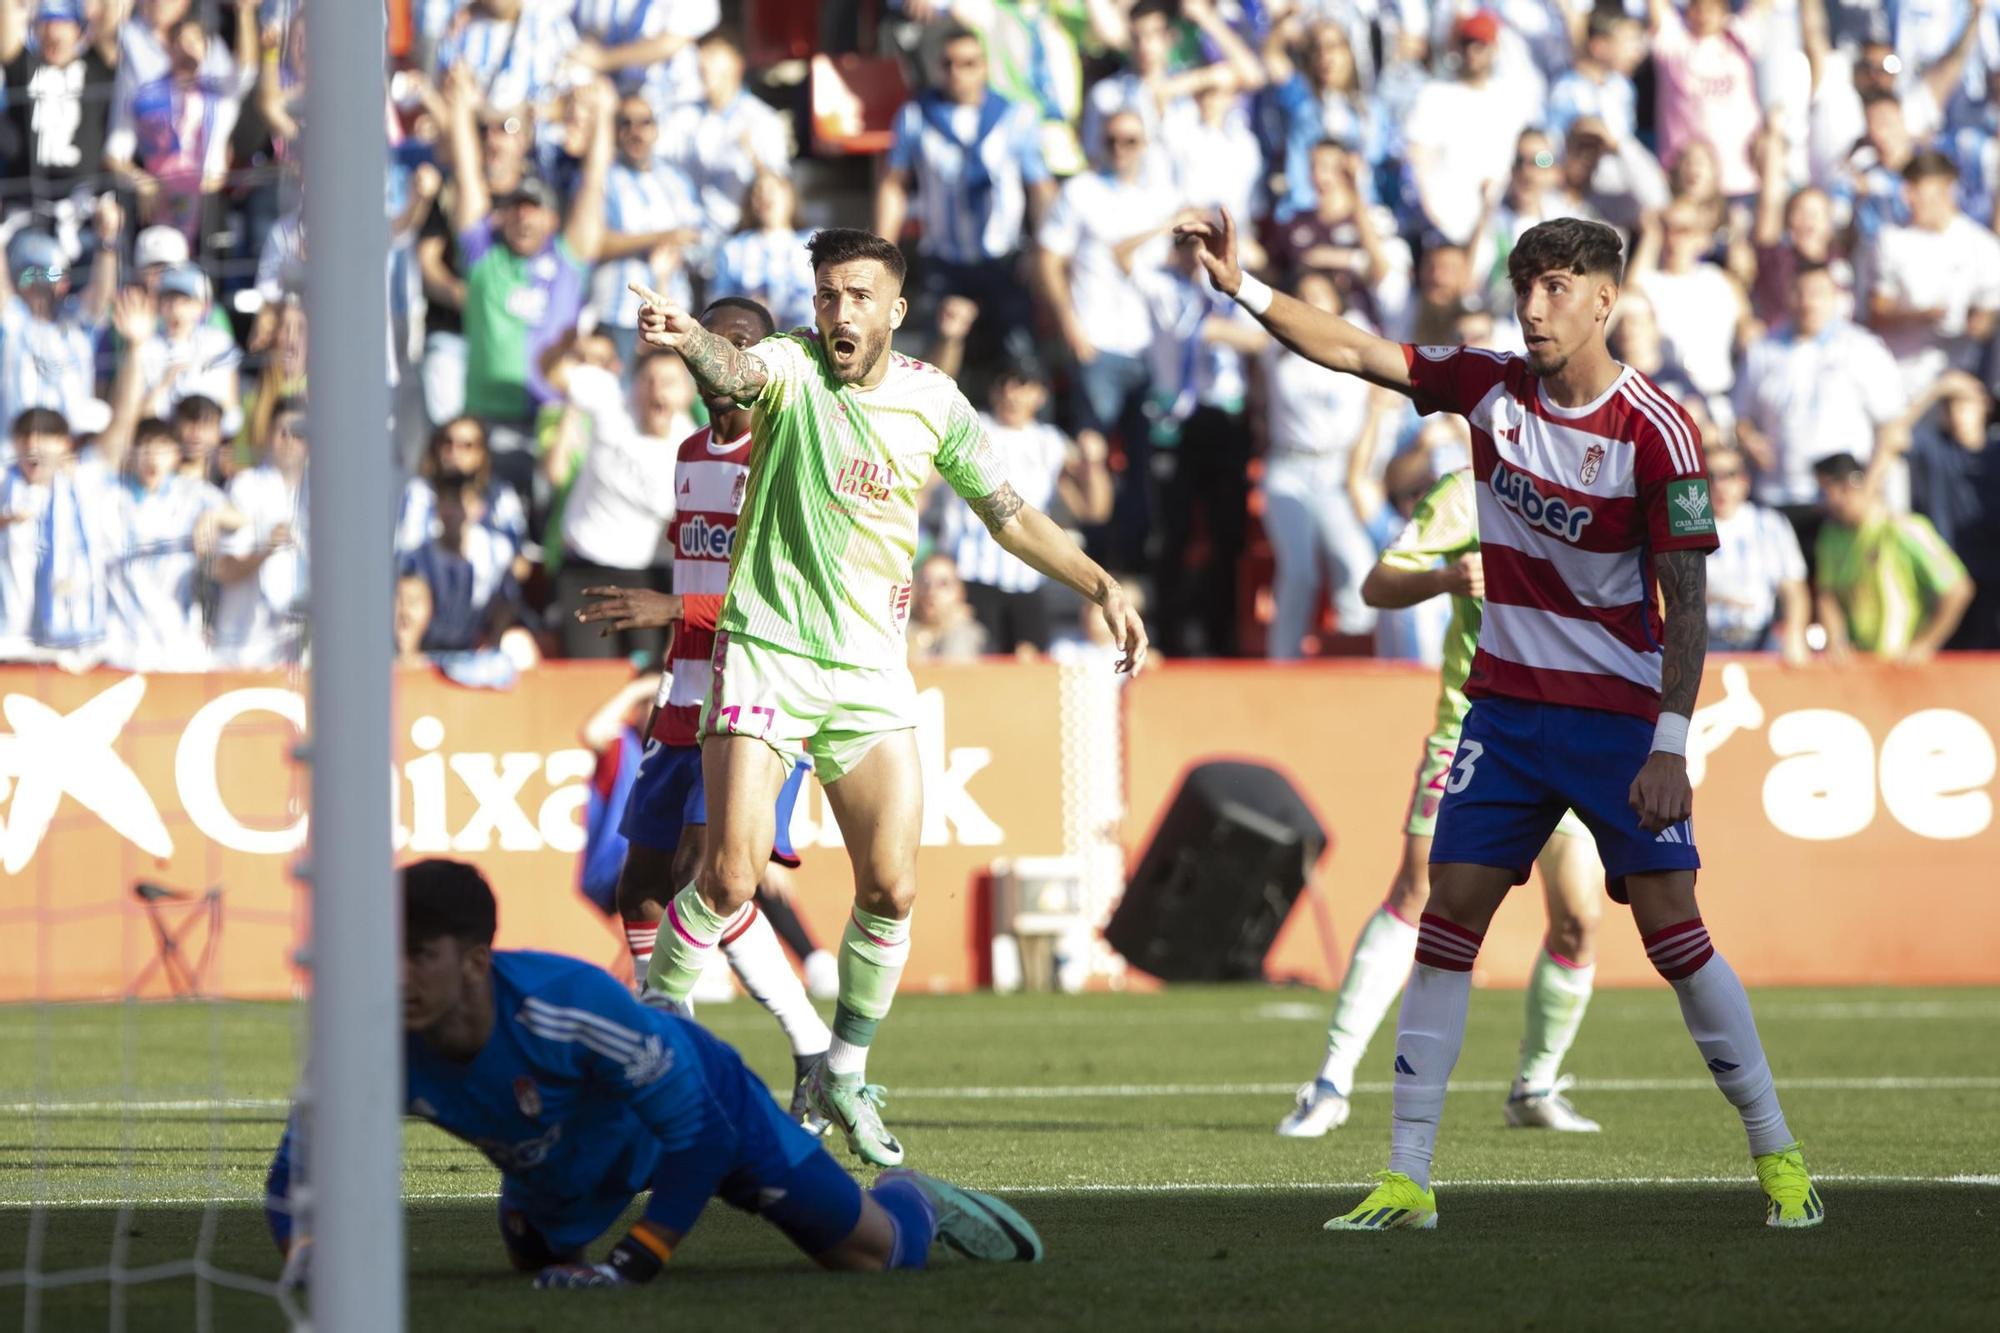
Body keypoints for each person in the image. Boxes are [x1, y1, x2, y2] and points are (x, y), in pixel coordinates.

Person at [1174, 207, 1823, 1229]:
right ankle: (1406, 1178)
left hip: (1614, 725)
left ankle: (1778, 1157)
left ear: (1604, 300)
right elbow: (1348, 350)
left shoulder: (1655, 430)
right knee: (1445, 922)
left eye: (1555, 288)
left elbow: (1684, 606)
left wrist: (1667, 745)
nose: (1531, 308)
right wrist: (1242, 286)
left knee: (1673, 935)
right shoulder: (1486, 387)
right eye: (1522, 287)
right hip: (1505, 718)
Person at [630, 228, 1147, 1167]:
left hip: (868, 672)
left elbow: (1010, 515)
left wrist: (1096, 581)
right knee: (730, 875)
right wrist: (686, 339)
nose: (839, 313)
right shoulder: (788, 367)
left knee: (894, 885)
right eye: (827, 295)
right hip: (768, 651)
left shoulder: (931, 400)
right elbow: (734, 368)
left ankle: (846, 1072)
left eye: (859, 296)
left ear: (896, 309)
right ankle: (650, 1050)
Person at [263, 860, 1043, 1291]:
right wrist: (303, 1248)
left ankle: (915, 1201)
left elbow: (697, 1137)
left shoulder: (569, 1006)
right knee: (535, 1265)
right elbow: (297, 1167)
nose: (393, 975)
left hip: (708, 1107)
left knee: (874, 1257)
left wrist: (638, 1256)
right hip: (566, 1152)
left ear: (473, 963)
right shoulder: (364, 1039)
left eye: (417, 955)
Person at [1280, 463, 1606, 1139]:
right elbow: (1376, 584)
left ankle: (1534, 1086)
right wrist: (1446, 578)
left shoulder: (1602, 490)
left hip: (1574, 732)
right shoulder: (1468, 491)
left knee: (1580, 916)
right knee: (1416, 889)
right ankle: (1331, 1081)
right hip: (1476, 730)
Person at [572, 297, 836, 1126]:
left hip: (755, 693)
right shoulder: (690, 453)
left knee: (708, 879)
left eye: (741, 344)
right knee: (640, 888)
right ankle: (678, 1074)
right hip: (683, 696)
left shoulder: (785, 452)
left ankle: (806, 1047)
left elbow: (788, 600)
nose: (722, 355)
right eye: (710, 341)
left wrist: (672, 608)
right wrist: (673, 636)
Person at [877, 21, 1053, 383]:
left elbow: (1040, 188)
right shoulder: (915, 116)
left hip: (1003, 260)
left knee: (1023, 363)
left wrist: (1042, 250)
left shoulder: (1014, 116)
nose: (958, 73)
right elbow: (893, 186)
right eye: (948, 64)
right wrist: (882, 255)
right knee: (933, 368)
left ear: (985, 66)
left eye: (969, 63)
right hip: (945, 260)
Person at [928, 354, 1110, 654]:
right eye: (1005, 382)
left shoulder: (1049, 443)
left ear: (1040, 394)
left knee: (1031, 672)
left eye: (1023, 384)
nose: (1011, 392)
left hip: (1026, 579)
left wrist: (1094, 464)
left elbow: (1094, 510)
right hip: (971, 576)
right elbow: (925, 484)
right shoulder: (970, 427)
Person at [542, 341, 696, 659]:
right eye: (648, 380)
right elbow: (551, 370)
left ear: (688, 394)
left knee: (650, 682)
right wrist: (570, 340)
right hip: (586, 571)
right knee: (592, 680)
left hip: (651, 579)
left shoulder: (695, 447)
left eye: (669, 382)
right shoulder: (611, 402)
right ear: (634, 384)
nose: (656, 391)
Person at [1813, 452, 1975, 665]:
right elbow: (1827, 593)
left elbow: (1958, 589)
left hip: (1903, 667)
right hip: (1860, 667)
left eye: (1829, 491)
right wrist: (1836, 640)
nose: (1828, 501)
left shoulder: (1904, 529)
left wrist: (1925, 644)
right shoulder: (1831, 537)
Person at [108, 416, 240, 673]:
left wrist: (212, 517)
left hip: (178, 640)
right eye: (145, 448)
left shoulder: (192, 493)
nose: (152, 458)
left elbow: (239, 519)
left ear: (177, 455)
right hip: (124, 642)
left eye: (162, 449)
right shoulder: (111, 497)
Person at [1705, 442, 1810, 662]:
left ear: (1744, 480)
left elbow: (1793, 589)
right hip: (1706, 644)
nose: (1719, 485)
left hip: (1761, 642)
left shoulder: (1771, 525)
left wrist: (1795, 632)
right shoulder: (1688, 528)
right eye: (1710, 476)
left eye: (1728, 475)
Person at [907, 552, 989, 663]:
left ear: (960, 593)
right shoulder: (899, 629)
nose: (931, 591)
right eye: (925, 582)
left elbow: (955, 672)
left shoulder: (968, 634)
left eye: (943, 584)